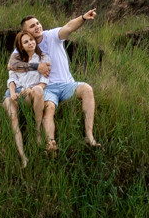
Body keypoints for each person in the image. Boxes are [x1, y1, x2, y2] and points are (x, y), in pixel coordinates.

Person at [20, 9, 100, 148]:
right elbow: (14, 65)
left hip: (66, 84)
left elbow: (69, 27)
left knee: (87, 89)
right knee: (49, 108)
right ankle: (50, 143)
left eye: (38, 23)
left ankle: (89, 136)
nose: (37, 27)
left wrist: (83, 17)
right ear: (26, 32)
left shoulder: (52, 35)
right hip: (47, 88)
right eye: (32, 26)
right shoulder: (24, 45)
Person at [2, 25, 51, 165]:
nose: (30, 43)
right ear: (21, 47)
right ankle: (23, 156)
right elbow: (11, 80)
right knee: (13, 117)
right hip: (15, 94)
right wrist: (13, 93)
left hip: (31, 93)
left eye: (31, 40)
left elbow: (44, 82)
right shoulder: (16, 60)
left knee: (39, 90)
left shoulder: (43, 58)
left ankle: (37, 132)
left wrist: (30, 89)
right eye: (26, 42)